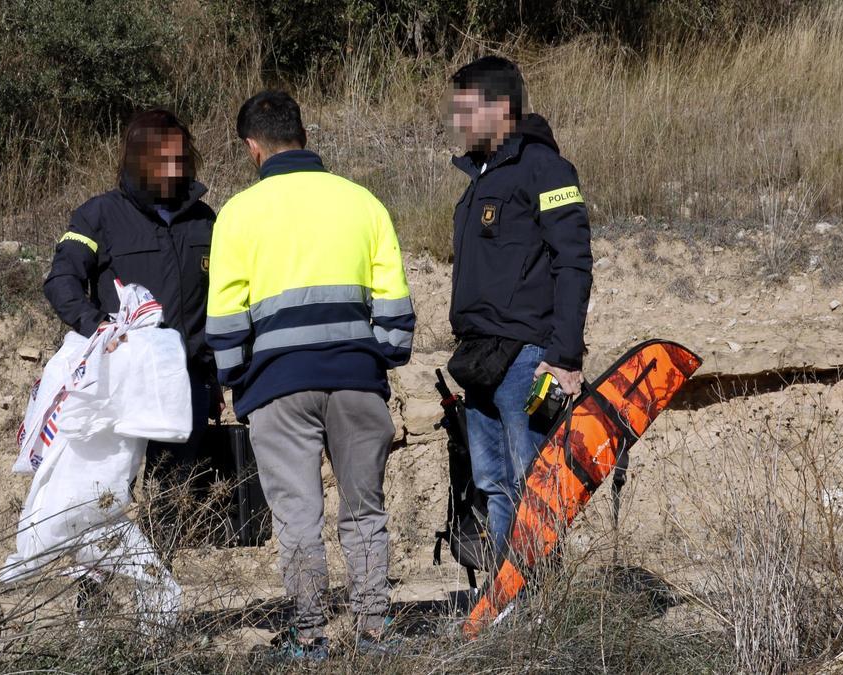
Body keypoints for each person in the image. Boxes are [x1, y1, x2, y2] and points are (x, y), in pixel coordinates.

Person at [206, 91, 415, 659]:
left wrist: (235, 380)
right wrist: (384, 356)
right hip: (356, 380)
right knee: (364, 509)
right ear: (302, 134)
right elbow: (394, 305)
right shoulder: (361, 202)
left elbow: (225, 316)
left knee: (297, 515)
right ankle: (375, 630)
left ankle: (310, 635)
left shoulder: (238, 214)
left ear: (253, 148)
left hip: (277, 388)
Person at [43, 108, 219, 579]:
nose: (173, 170)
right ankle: (94, 612)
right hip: (117, 386)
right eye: (161, 161)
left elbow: (219, 300)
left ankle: (156, 607)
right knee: (101, 498)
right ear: (137, 160)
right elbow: (61, 280)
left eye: (180, 160)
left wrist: (218, 376)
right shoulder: (99, 214)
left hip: (185, 385)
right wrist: (99, 329)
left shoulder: (205, 219)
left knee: (172, 498)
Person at [445, 56, 593, 563]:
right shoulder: (480, 178)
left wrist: (565, 355)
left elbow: (573, 262)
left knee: (530, 481)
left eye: (467, 110)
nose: (458, 122)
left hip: (526, 361)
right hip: (479, 359)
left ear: (501, 108)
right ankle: (511, 599)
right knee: (492, 484)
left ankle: (537, 601)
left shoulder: (545, 167)